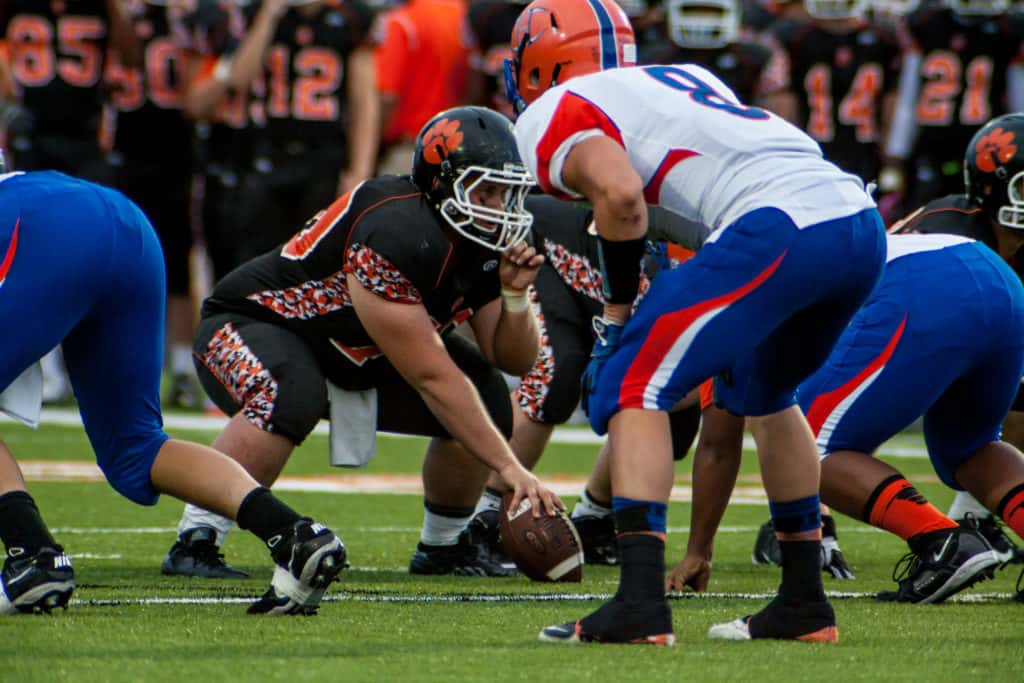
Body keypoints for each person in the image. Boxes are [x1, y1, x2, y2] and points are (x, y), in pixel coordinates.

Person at [506, 0, 886, 644]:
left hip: (779, 224)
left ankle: (638, 605)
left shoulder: (553, 110)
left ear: (539, 65)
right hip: (854, 218)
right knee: (767, 392)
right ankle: (803, 603)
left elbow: (622, 198)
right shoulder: (678, 78)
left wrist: (616, 316)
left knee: (633, 384)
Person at [160, 106, 564, 580]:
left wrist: (514, 297)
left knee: (489, 395)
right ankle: (197, 537)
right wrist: (512, 468)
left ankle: (443, 546)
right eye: (486, 191)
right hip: (257, 324)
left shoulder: (490, 237)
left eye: (508, 192)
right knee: (288, 392)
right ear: (439, 182)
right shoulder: (393, 228)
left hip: (356, 346)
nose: (500, 207)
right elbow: (432, 375)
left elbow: (512, 357)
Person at [0, 162, 346, 616]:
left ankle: (35, 557)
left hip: (49, 226)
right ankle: (296, 535)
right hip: (127, 225)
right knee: (136, 448)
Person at [669, 229, 1022, 604]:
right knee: (970, 448)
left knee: (808, 449)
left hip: (918, 283)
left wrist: (698, 552)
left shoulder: (728, 312)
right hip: (993, 274)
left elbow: (719, 447)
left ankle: (942, 541)